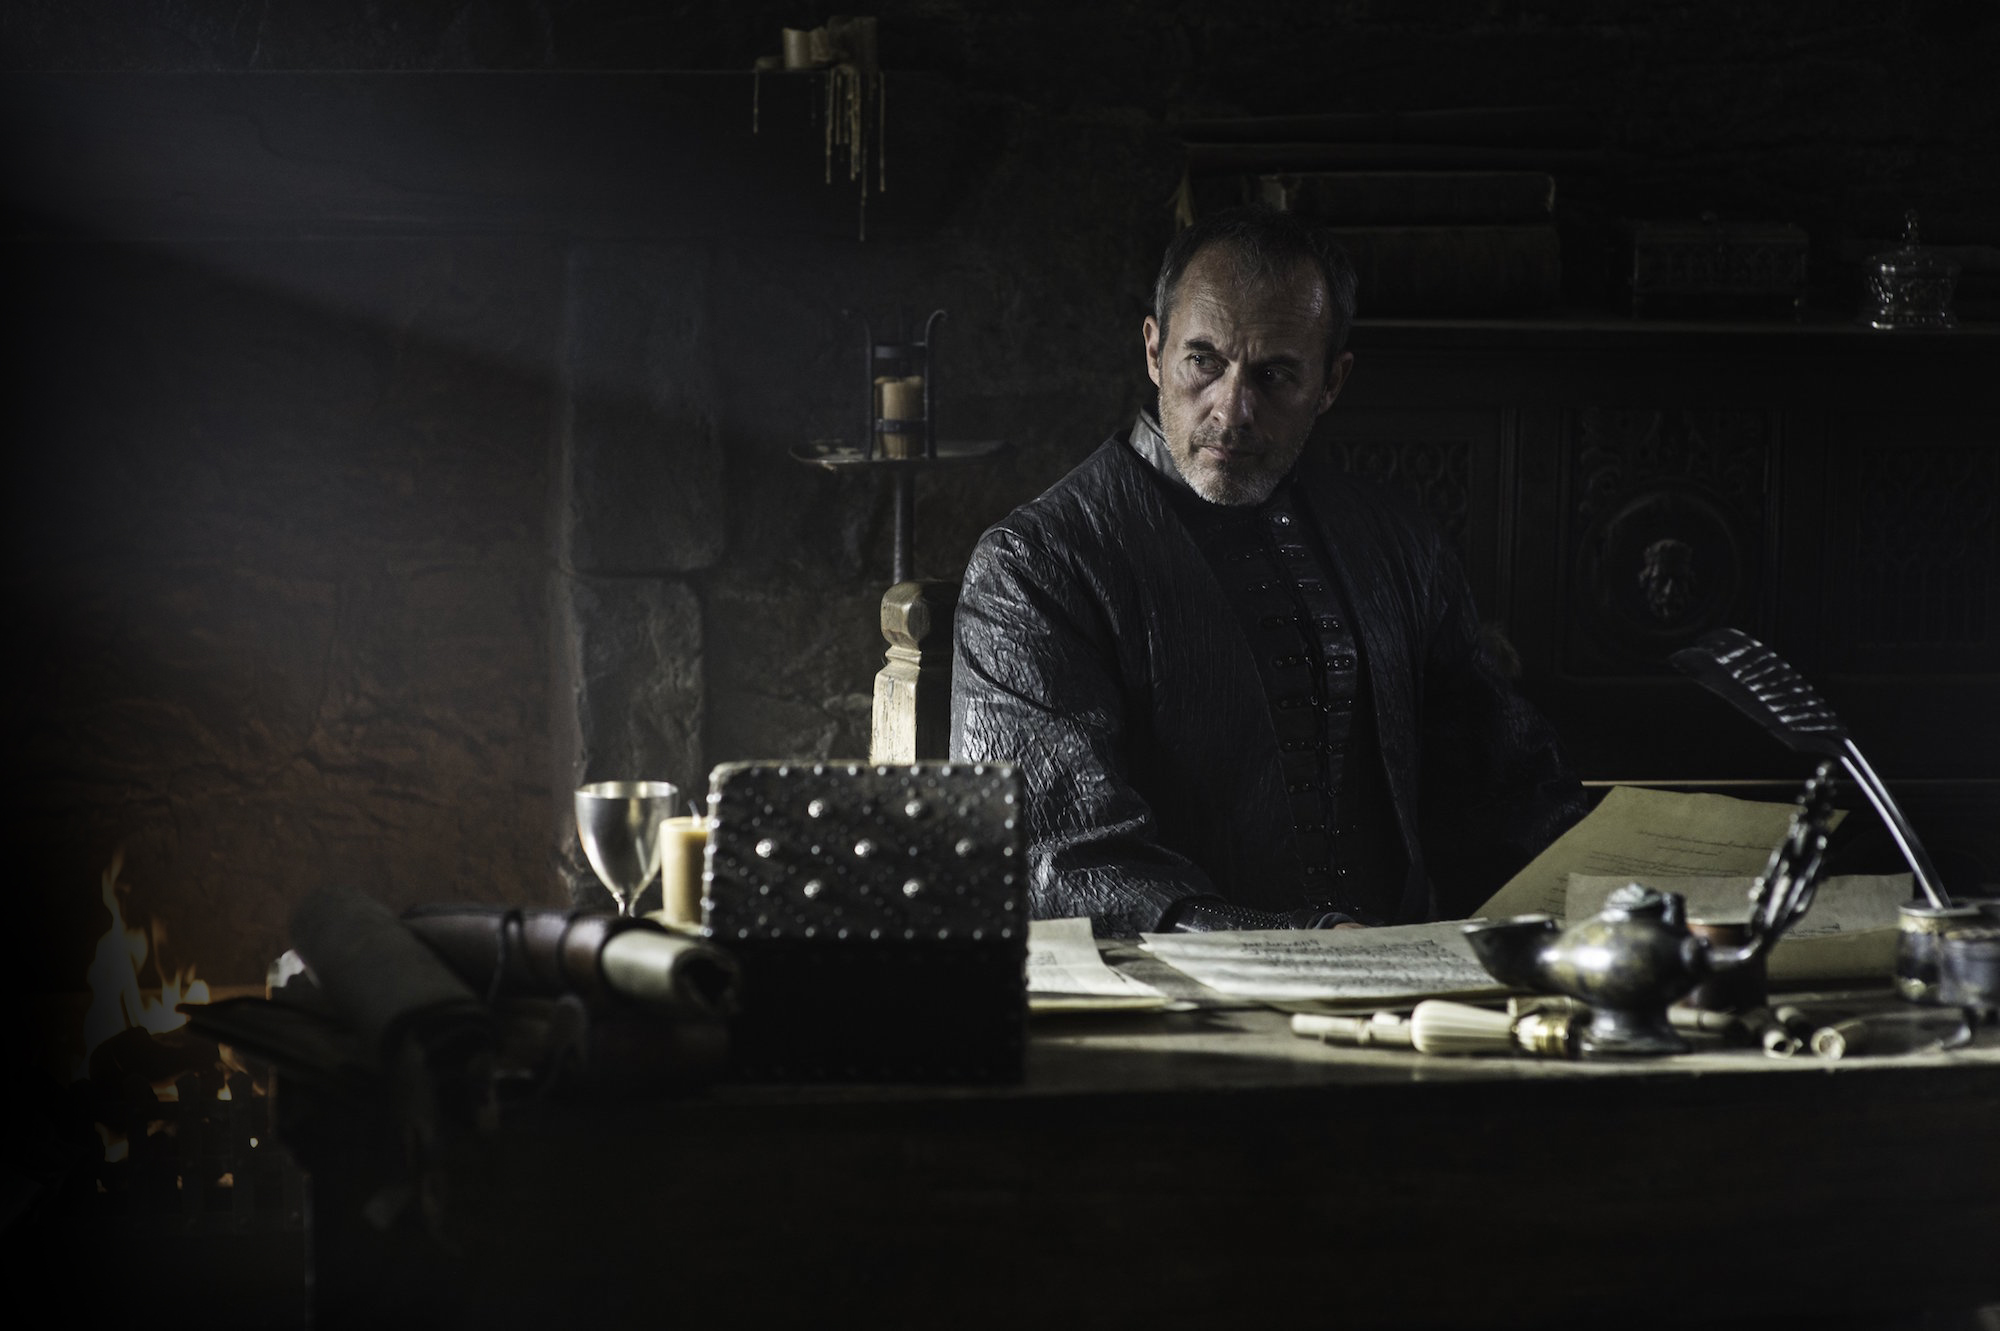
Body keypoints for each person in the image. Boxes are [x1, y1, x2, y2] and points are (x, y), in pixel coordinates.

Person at [949, 206, 1584, 935]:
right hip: (1175, 992)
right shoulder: (1034, 567)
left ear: (1331, 382)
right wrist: (1301, 944)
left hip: (1413, 976)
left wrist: (1629, 890)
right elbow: (1061, 859)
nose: (1234, 409)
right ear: (1154, 351)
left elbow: (1507, 787)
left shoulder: (1394, 539)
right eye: (1204, 362)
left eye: (1275, 374)